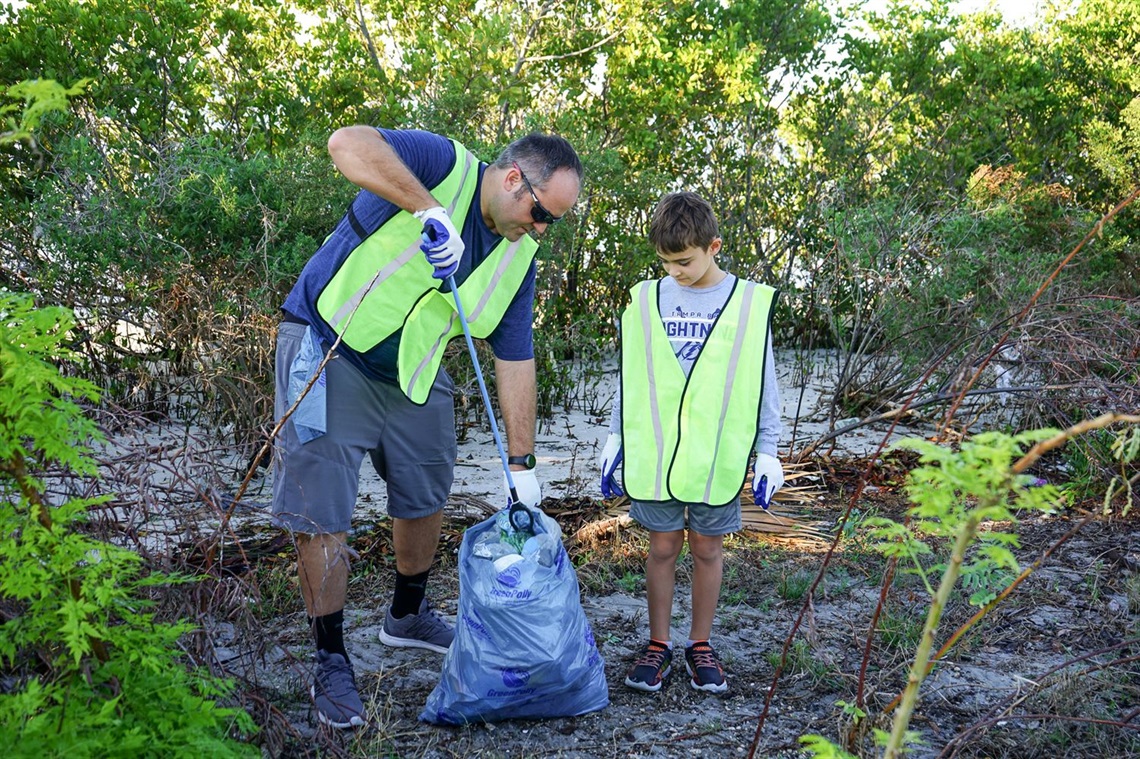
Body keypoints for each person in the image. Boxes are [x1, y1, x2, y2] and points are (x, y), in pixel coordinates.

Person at [272, 126, 583, 728]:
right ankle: (331, 656)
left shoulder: (521, 255)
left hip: (412, 372)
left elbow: (515, 356)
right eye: (541, 212)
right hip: (329, 348)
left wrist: (522, 467)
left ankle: (406, 617)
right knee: (323, 510)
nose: (542, 229)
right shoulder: (443, 164)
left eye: (554, 222)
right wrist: (428, 209)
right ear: (515, 178)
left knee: (426, 487)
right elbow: (345, 144)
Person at [598, 191, 783, 694]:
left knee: (706, 548)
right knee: (661, 548)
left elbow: (763, 381)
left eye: (684, 261)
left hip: (716, 460)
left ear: (713, 245)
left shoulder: (747, 303)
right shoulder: (646, 299)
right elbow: (632, 375)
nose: (675, 272)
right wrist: (617, 436)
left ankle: (700, 645)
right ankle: (658, 644)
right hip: (656, 457)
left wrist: (768, 449)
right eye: (666, 262)